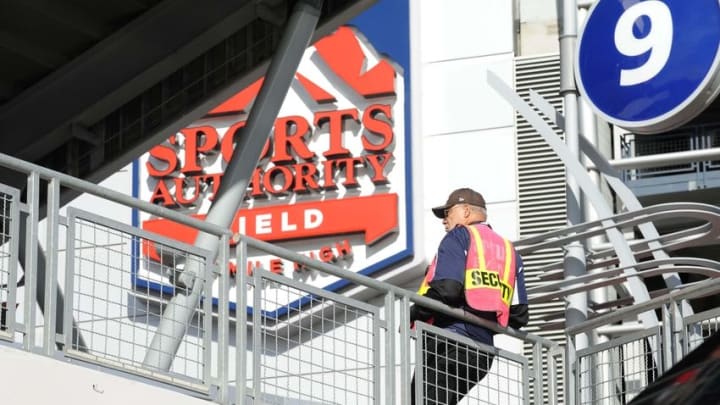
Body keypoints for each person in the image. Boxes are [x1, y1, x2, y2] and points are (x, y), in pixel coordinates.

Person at [410, 187, 529, 405]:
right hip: (482, 354)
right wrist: (480, 312)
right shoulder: (510, 251)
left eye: (447, 213)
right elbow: (519, 315)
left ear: (465, 211)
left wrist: (413, 313)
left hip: (448, 342)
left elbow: (448, 290)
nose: (444, 221)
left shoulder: (459, 236)